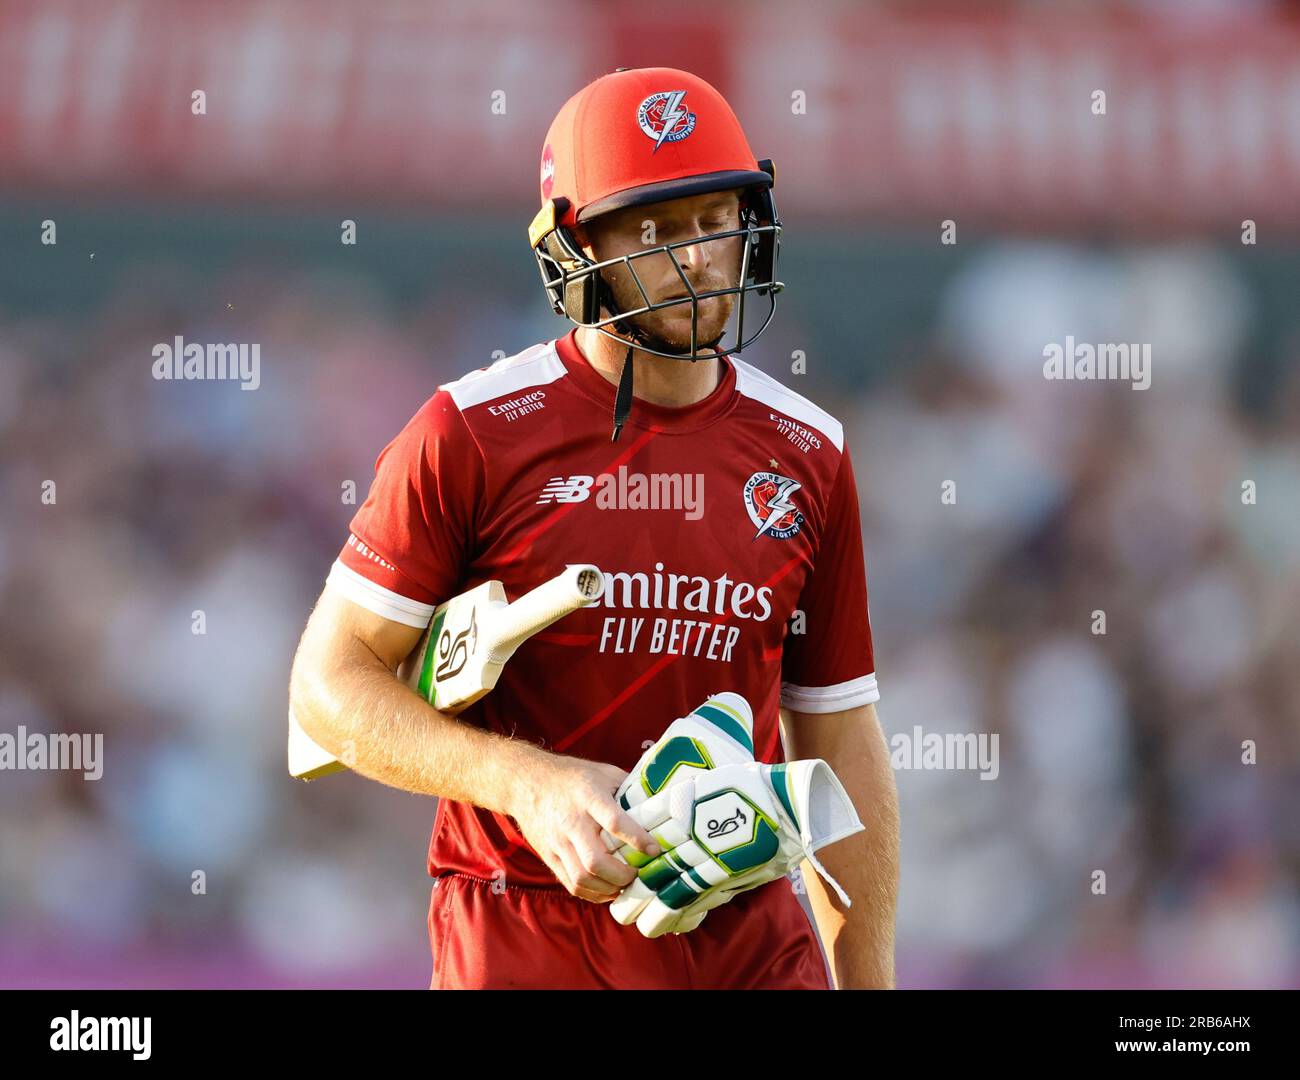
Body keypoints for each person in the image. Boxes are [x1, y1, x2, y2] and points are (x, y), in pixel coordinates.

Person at [288, 66, 899, 989]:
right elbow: (326, 690)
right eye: (657, 228)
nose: (700, 256)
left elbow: (840, 734)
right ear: (575, 247)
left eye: (717, 218)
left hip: (750, 945)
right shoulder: (471, 433)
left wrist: (869, 984)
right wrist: (525, 785)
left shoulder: (809, 450)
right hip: (524, 939)